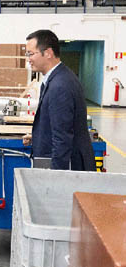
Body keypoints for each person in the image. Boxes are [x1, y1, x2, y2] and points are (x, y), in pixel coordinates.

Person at [22, 30, 95, 171]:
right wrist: (38, 137)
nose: (28, 59)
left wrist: (55, 176)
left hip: (68, 167)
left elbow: (62, 138)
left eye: (30, 54)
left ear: (48, 53)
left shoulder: (60, 85)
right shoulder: (57, 78)